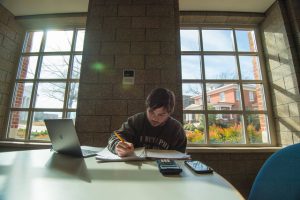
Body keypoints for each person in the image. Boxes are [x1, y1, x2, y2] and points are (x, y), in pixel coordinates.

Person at [107, 87, 187, 157]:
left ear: (169, 113)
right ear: (146, 108)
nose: (154, 118)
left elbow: (180, 158)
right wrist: (117, 146)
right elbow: (114, 137)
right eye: (151, 112)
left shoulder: (176, 129)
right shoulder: (136, 121)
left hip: (164, 171)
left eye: (161, 114)